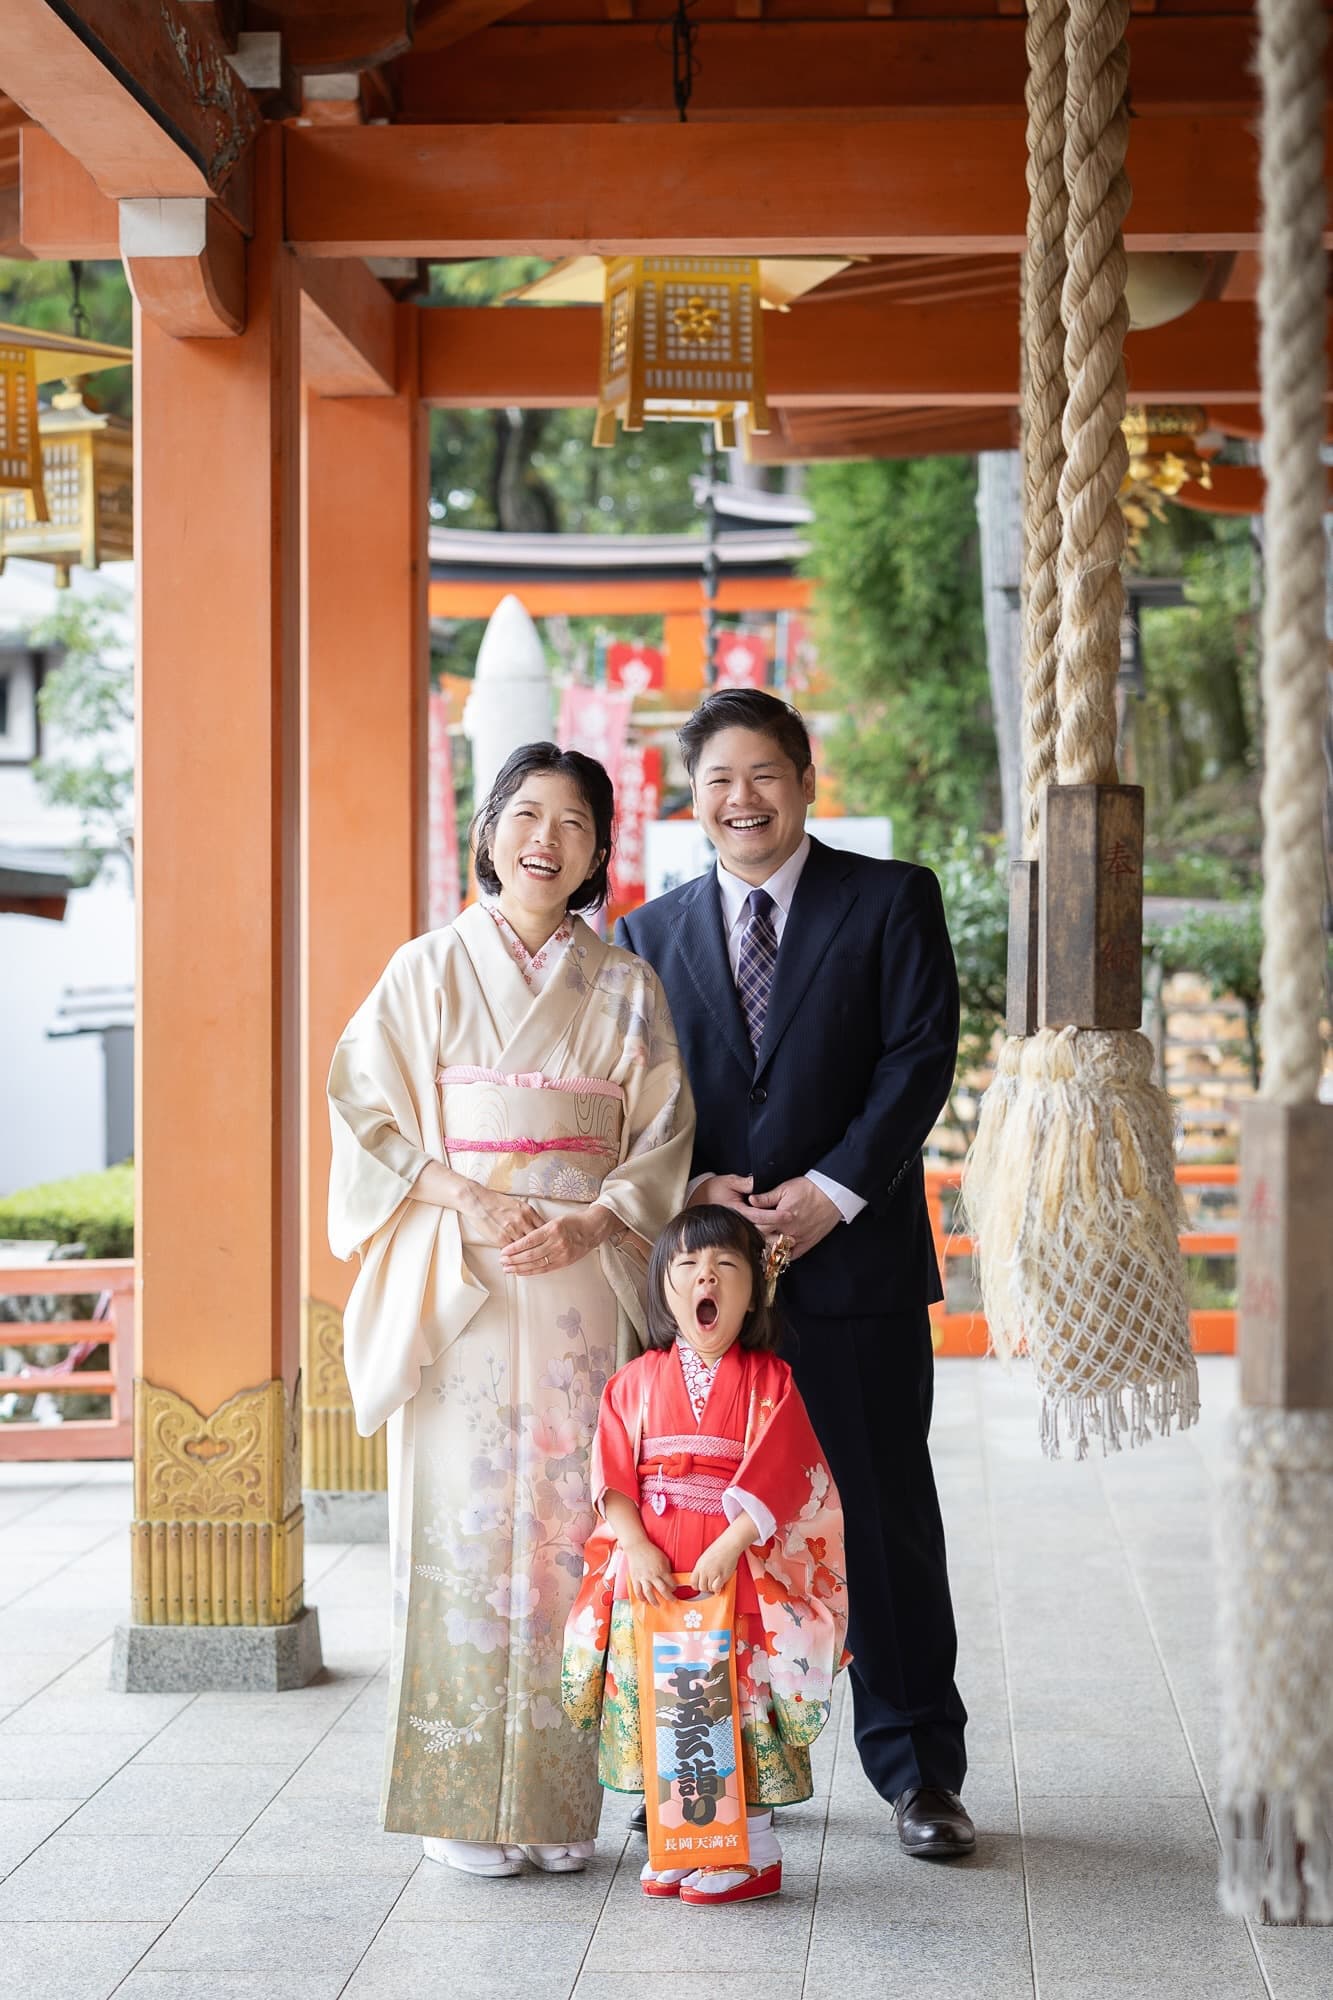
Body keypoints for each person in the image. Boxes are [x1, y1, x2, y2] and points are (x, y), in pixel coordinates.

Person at [617, 688, 974, 1860]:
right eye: (718, 779)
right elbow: (640, 1097)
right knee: (698, 1521)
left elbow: (921, 1055)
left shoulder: (889, 899)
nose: (742, 799)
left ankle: (919, 1770)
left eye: (763, 773)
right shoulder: (647, 934)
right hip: (706, 1294)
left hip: (857, 1264)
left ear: (806, 777)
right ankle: (703, 1766)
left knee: (880, 1519)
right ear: (692, 797)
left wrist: (834, 1189)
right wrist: (695, 1186)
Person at [327, 742, 694, 1880]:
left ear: (596, 852)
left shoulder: (628, 986)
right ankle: (457, 1795)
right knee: (464, 1524)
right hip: (465, 1274)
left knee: (577, 1523)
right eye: (526, 812)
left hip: (583, 1278)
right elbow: (364, 1111)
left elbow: (664, 1134)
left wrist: (594, 1220)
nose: (547, 836)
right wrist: (465, 1192)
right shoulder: (424, 969)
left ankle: (556, 1800)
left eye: (575, 820)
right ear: (488, 832)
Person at [563, 1203, 847, 1904]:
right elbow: (610, 1478)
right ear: (665, 1288)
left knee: (735, 1705)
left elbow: (784, 1471)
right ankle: (681, 1843)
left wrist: (729, 1541)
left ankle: (752, 1849)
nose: (704, 1278)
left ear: (753, 1290)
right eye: (686, 1266)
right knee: (670, 1706)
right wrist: (633, 1546)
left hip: (735, 1575)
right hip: (654, 1574)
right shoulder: (632, 1383)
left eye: (724, 1266)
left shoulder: (769, 1382)